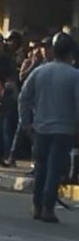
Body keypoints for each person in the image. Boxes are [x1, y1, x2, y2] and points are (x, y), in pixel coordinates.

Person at [18, 31, 79, 223]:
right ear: (70, 53)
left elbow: (24, 99)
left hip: (40, 129)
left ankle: (37, 206)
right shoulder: (74, 75)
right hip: (64, 130)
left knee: (42, 168)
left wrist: (26, 123)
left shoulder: (39, 72)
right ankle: (48, 208)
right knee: (55, 169)